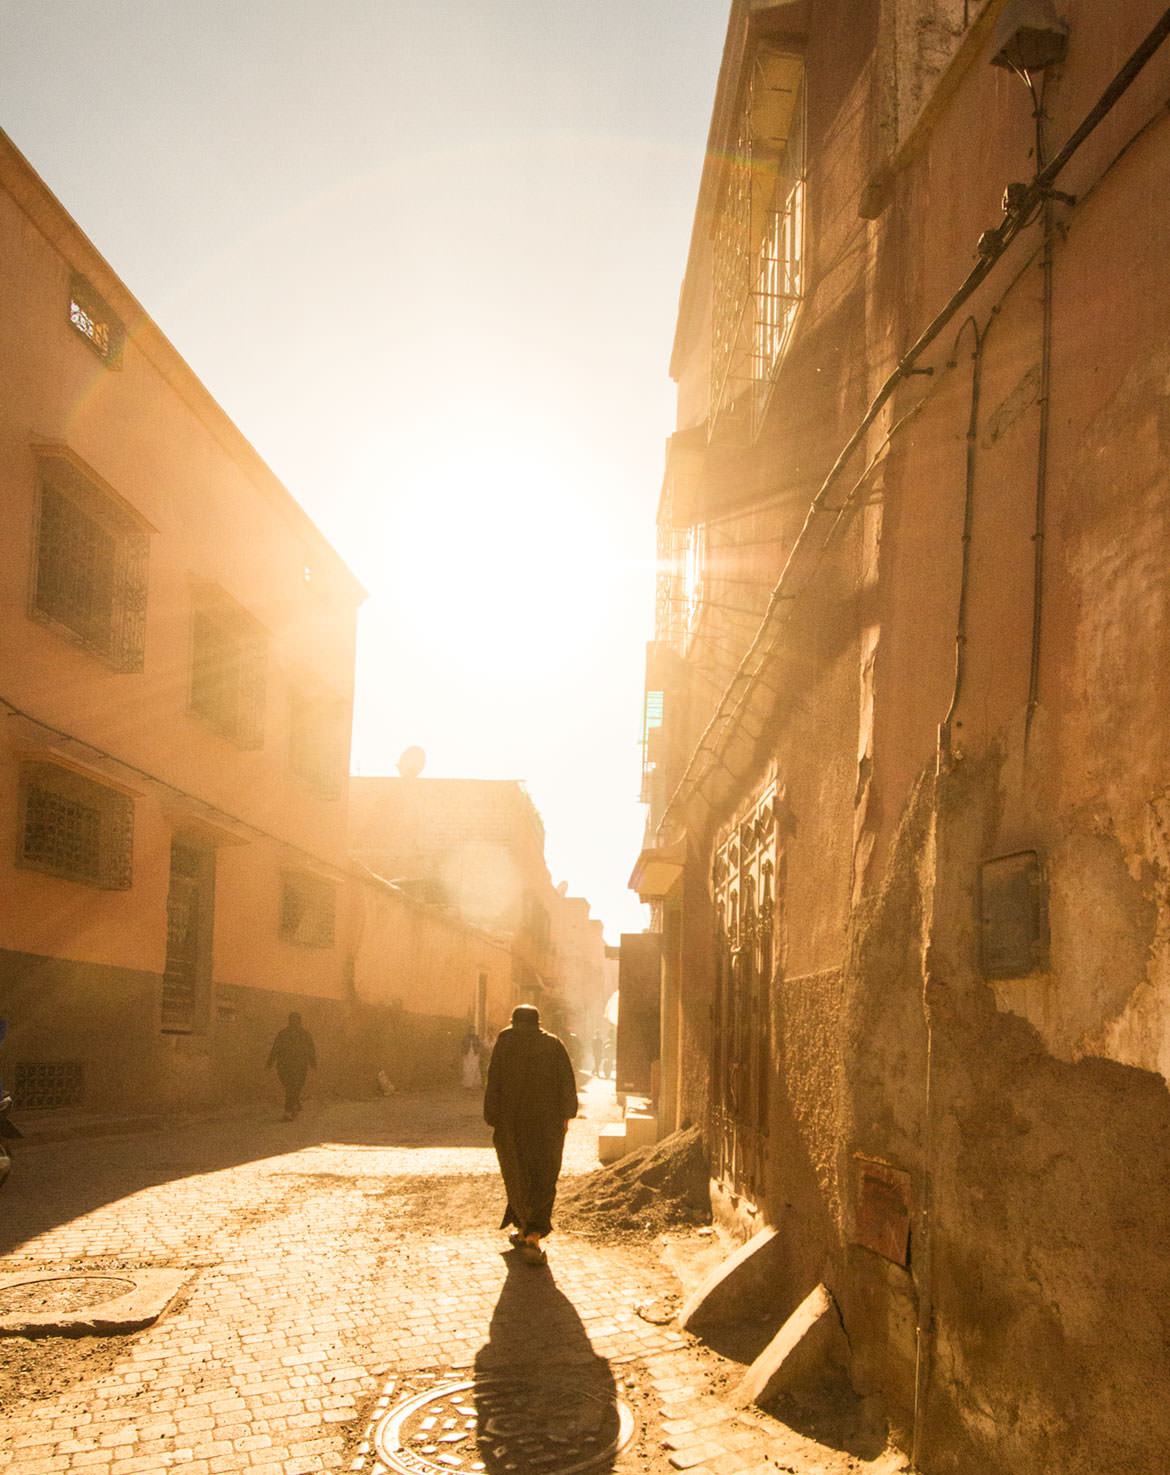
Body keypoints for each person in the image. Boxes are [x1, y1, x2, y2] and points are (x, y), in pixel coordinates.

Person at [483, 1003, 578, 1265]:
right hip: (547, 1127)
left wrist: (492, 1116)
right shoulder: (554, 1044)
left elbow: (494, 1080)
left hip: (512, 1125)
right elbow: (567, 1083)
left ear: (514, 1021)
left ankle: (526, 1229)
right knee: (544, 1175)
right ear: (538, 1022)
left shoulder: (505, 1041)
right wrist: (566, 1115)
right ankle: (531, 1233)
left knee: (516, 1173)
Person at [265, 1011, 317, 1120]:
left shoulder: (305, 1034)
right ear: (289, 1021)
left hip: (300, 1066)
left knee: (294, 1087)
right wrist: (269, 1063)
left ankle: (290, 1107)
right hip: (285, 1066)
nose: (293, 1023)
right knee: (291, 1087)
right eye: (291, 1020)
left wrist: (313, 1063)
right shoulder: (283, 1034)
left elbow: (310, 1050)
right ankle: (291, 1107)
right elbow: (276, 1048)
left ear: (299, 1022)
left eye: (296, 1021)